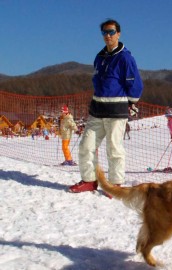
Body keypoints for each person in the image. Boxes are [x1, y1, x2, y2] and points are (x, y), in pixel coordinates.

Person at [69, 19, 143, 193]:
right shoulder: (99, 57)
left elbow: (135, 84)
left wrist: (132, 102)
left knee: (114, 148)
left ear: (118, 34)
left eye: (111, 32)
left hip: (116, 111)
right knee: (86, 146)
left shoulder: (125, 58)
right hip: (97, 110)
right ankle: (89, 180)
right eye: (104, 33)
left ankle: (115, 184)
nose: (108, 36)